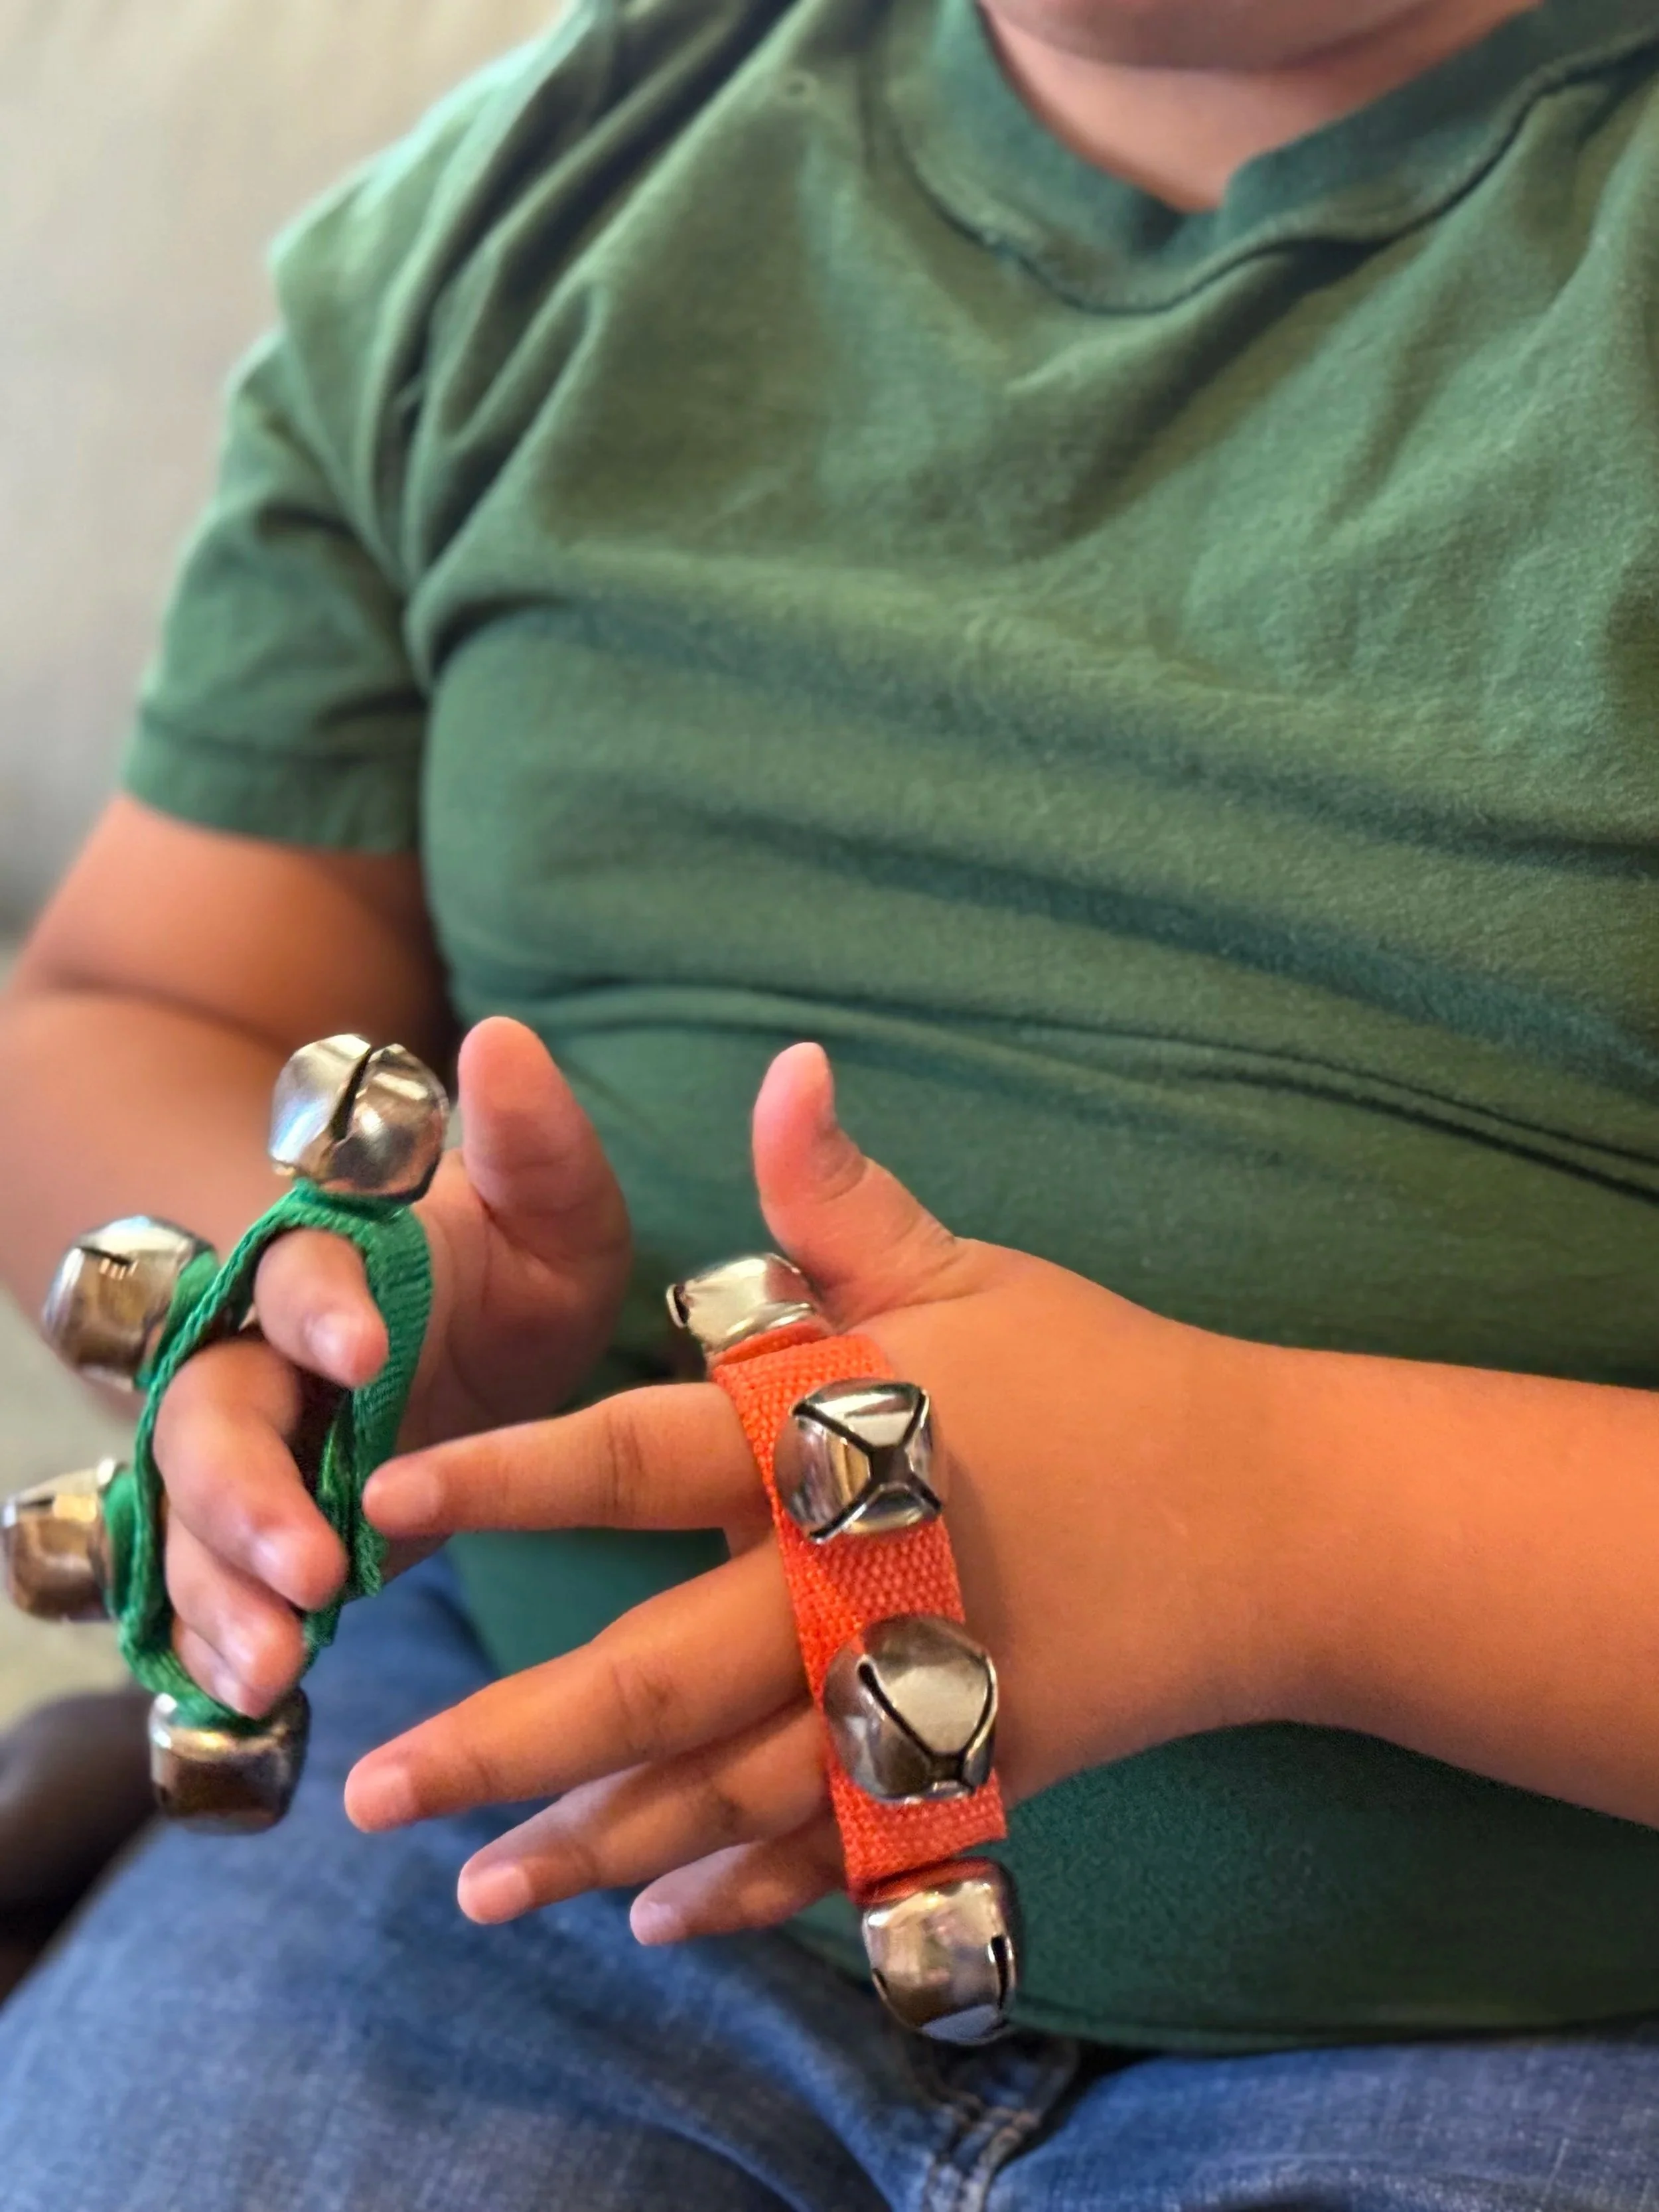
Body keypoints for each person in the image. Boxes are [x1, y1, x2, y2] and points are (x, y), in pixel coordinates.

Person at [3, 0, 1659, 2200]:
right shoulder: (527, 212)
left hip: (1535, 2000)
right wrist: (320, 1293)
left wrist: (1273, 1520)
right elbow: (128, 1000)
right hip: (520, 1843)